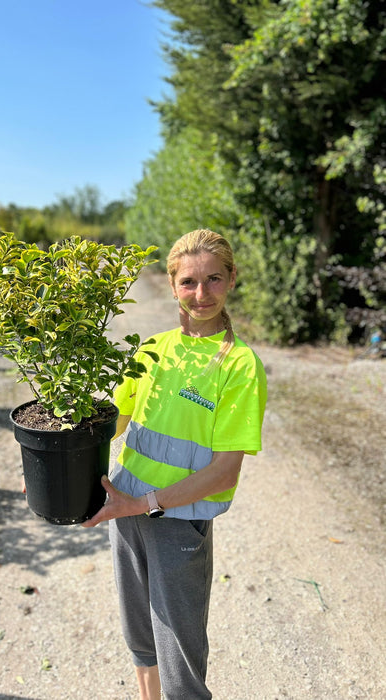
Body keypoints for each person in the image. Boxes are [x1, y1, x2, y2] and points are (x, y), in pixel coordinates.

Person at [82, 229, 267, 700]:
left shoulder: (240, 366)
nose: (201, 294)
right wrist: (54, 469)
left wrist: (144, 503)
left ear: (231, 281)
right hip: (124, 514)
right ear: (171, 284)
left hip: (177, 522)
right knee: (140, 636)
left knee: (180, 654)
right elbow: (114, 424)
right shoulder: (152, 350)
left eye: (213, 280)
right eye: (189, 282)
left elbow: (225, 471)